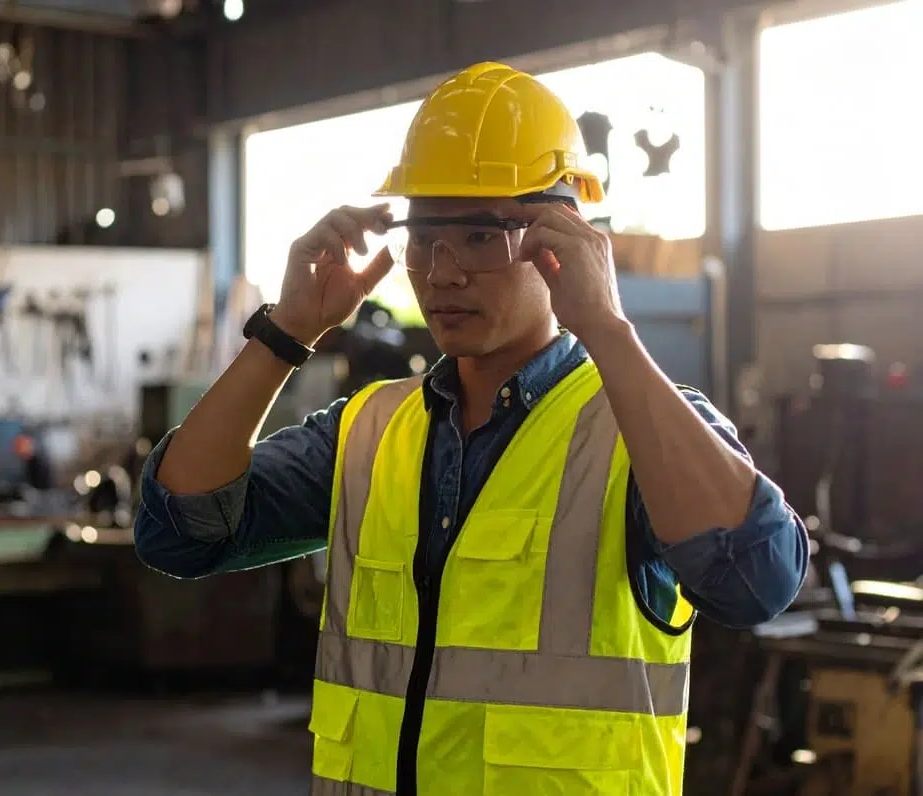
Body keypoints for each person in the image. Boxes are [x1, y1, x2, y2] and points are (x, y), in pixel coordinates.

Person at [135, 61, 808, 796]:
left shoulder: (633, 432)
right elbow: (180, 529)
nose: (442, 273)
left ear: (565, 241)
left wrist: (608, 328)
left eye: (482, 237)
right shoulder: (369, 431)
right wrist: (287, 333)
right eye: (425, 238)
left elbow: (756, 580)